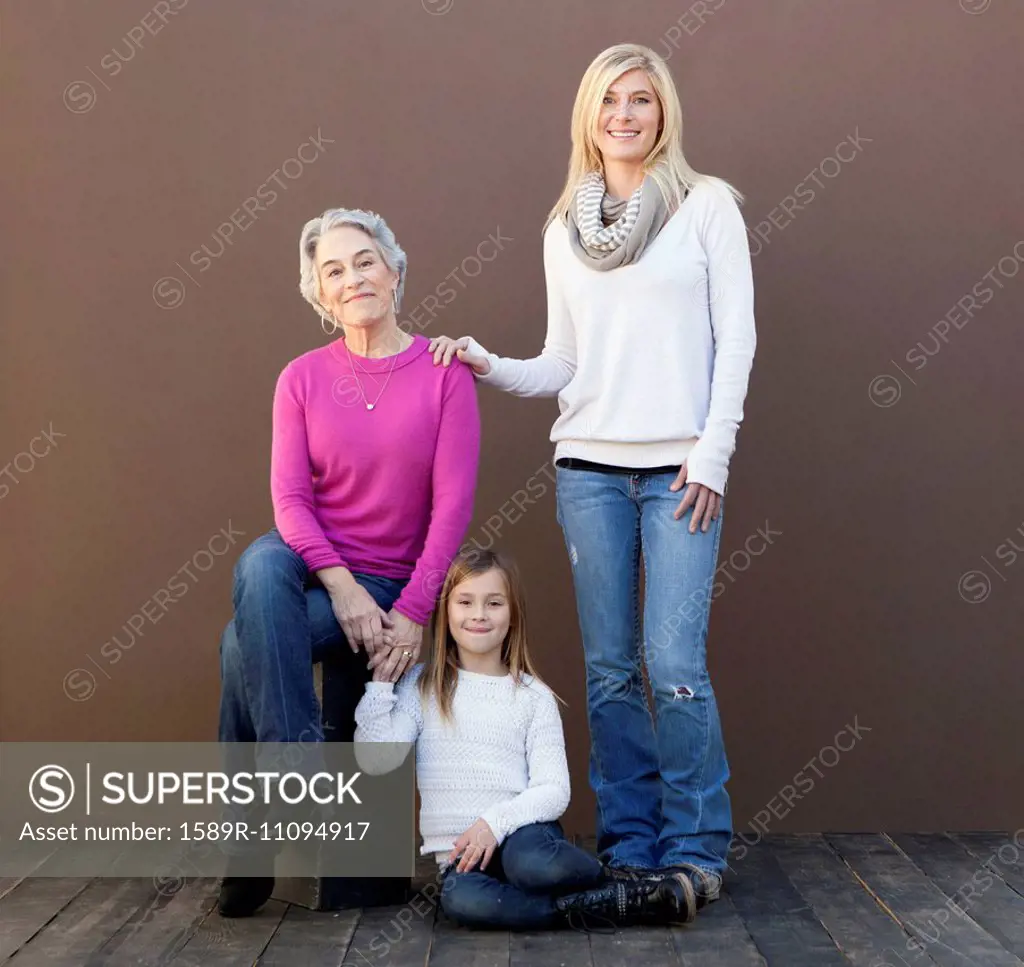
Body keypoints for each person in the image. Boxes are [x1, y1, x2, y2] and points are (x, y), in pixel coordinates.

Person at [428, 42, 757, 912]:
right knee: (611, 669)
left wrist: (713, 450)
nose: (624, 114)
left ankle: (695, 847)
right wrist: (488, 362)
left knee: (674, 663)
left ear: (664, 112)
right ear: (588, 115)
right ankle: (631, 845)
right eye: (609, 100)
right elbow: (563, 362)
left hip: (682, 468)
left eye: (641, 99)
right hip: (589, 469)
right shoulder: (562, 230)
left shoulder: (706, 207)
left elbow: (739, 340)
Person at [215, 207, 481, 917]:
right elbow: (290, 499)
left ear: (394, 271)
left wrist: (413, 610)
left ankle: (251, 837)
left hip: (391, 575)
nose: (353, 277)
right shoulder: (301, 377)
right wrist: (339, 587)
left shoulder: (443, 372)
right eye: (334, 270)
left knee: (238, 641)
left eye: (364, 260)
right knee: (261, 564)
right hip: (310, 565)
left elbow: (452, 506)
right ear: (321, 295)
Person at [354, 548, 698, 929]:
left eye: (494, 603)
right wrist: (380, 688)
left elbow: (554, 790)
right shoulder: (422, 686)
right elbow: (377, 763)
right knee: (462, 902)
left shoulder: (534, 697)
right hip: (462, 859)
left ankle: (612, 882)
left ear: (512, 614)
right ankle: (608, 903)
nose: (479, 614)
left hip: (522, 836)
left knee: (532, 866)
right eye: (465, 602)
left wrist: (492, 824)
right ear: (445, 612)